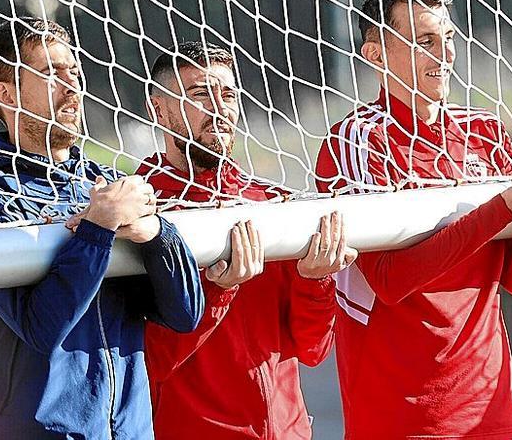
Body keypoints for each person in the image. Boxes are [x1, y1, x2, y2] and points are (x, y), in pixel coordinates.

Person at [314, 0, 512, 439]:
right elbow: (390, 282)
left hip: (488, 412)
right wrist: (497, 211)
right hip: (399, 418)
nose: (445, 54)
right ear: (376, 54)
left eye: (449, 38)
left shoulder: (485, 133)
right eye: (425, 41)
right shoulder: (353, 141)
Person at [0, 17, 203, 438]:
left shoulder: (104, 182)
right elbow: (41, 328)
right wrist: (97, 230)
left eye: (74, 71)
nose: (72, 86)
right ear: (6, 94)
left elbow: (184, 314)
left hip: (131, 430)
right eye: (51, 73)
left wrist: (158, 235)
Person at [139, 41, 356, 439]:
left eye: (228, 94)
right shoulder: (141, 212)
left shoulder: (269, 202)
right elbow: (148, 362)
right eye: (201, 94)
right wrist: (216, 291)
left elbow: (312, 349)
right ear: (159, 109)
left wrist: (316, 281)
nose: (219, 108)